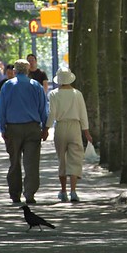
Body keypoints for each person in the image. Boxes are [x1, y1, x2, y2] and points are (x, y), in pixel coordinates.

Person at [0, 59, 49, 204]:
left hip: (13, 128)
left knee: (14, 162)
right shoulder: (36, 86)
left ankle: (15, 194)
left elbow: (1, 109)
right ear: (28, 69)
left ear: (14, 70)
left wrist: (2, 128)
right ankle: (30, 193)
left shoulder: (7, 86)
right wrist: (45, 127)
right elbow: (43, 108)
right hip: (32, 128)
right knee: (31, 163)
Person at [45, 69, 92, 203]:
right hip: (75, 127)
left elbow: (52, 113)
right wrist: (86, 132)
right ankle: (73, 191)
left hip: (60, 126)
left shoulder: (53, 94)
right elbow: (83, 114)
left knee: (62, 159)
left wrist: (46, 129)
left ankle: (63, 191)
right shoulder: (77, 94)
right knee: (75, 158)